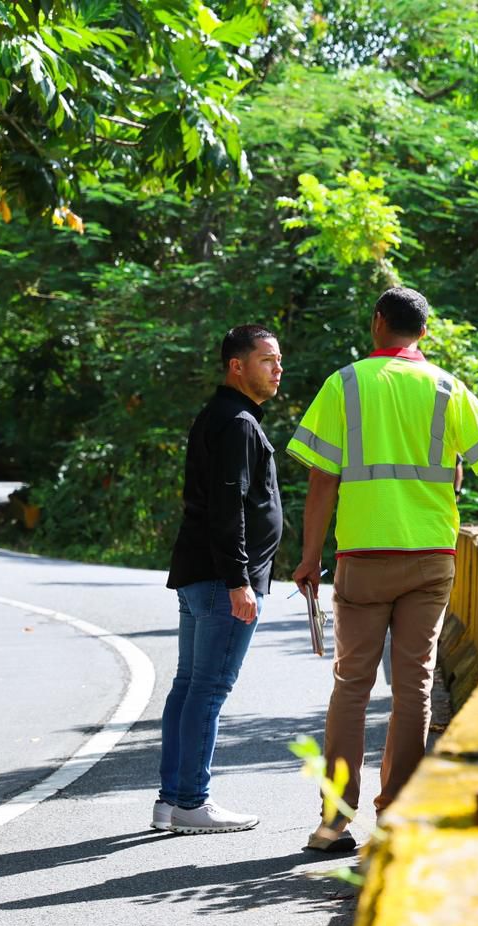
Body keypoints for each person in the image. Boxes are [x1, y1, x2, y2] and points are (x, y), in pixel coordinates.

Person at [288, 287, 478, 851]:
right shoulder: (445, 387)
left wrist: (311, 557)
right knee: (414, 689)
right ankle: (397, 816)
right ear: (425, 334)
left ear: (377, 322)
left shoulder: (346, 383)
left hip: (362, 554)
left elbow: (321, 479)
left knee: (351, 685)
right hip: (431, 557)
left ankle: (334, 821)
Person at [152, 324, 284, 835]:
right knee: (208, 688)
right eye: (267, 360)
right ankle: (191, 800)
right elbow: (229, 507)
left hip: (201, 572)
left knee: (189, 686)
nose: (277, 369)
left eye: (278, 360)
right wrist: (239, 581)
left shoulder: (221, 416)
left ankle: (171, 800)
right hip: (219, 578)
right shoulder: (237, 424)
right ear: (237, 365)